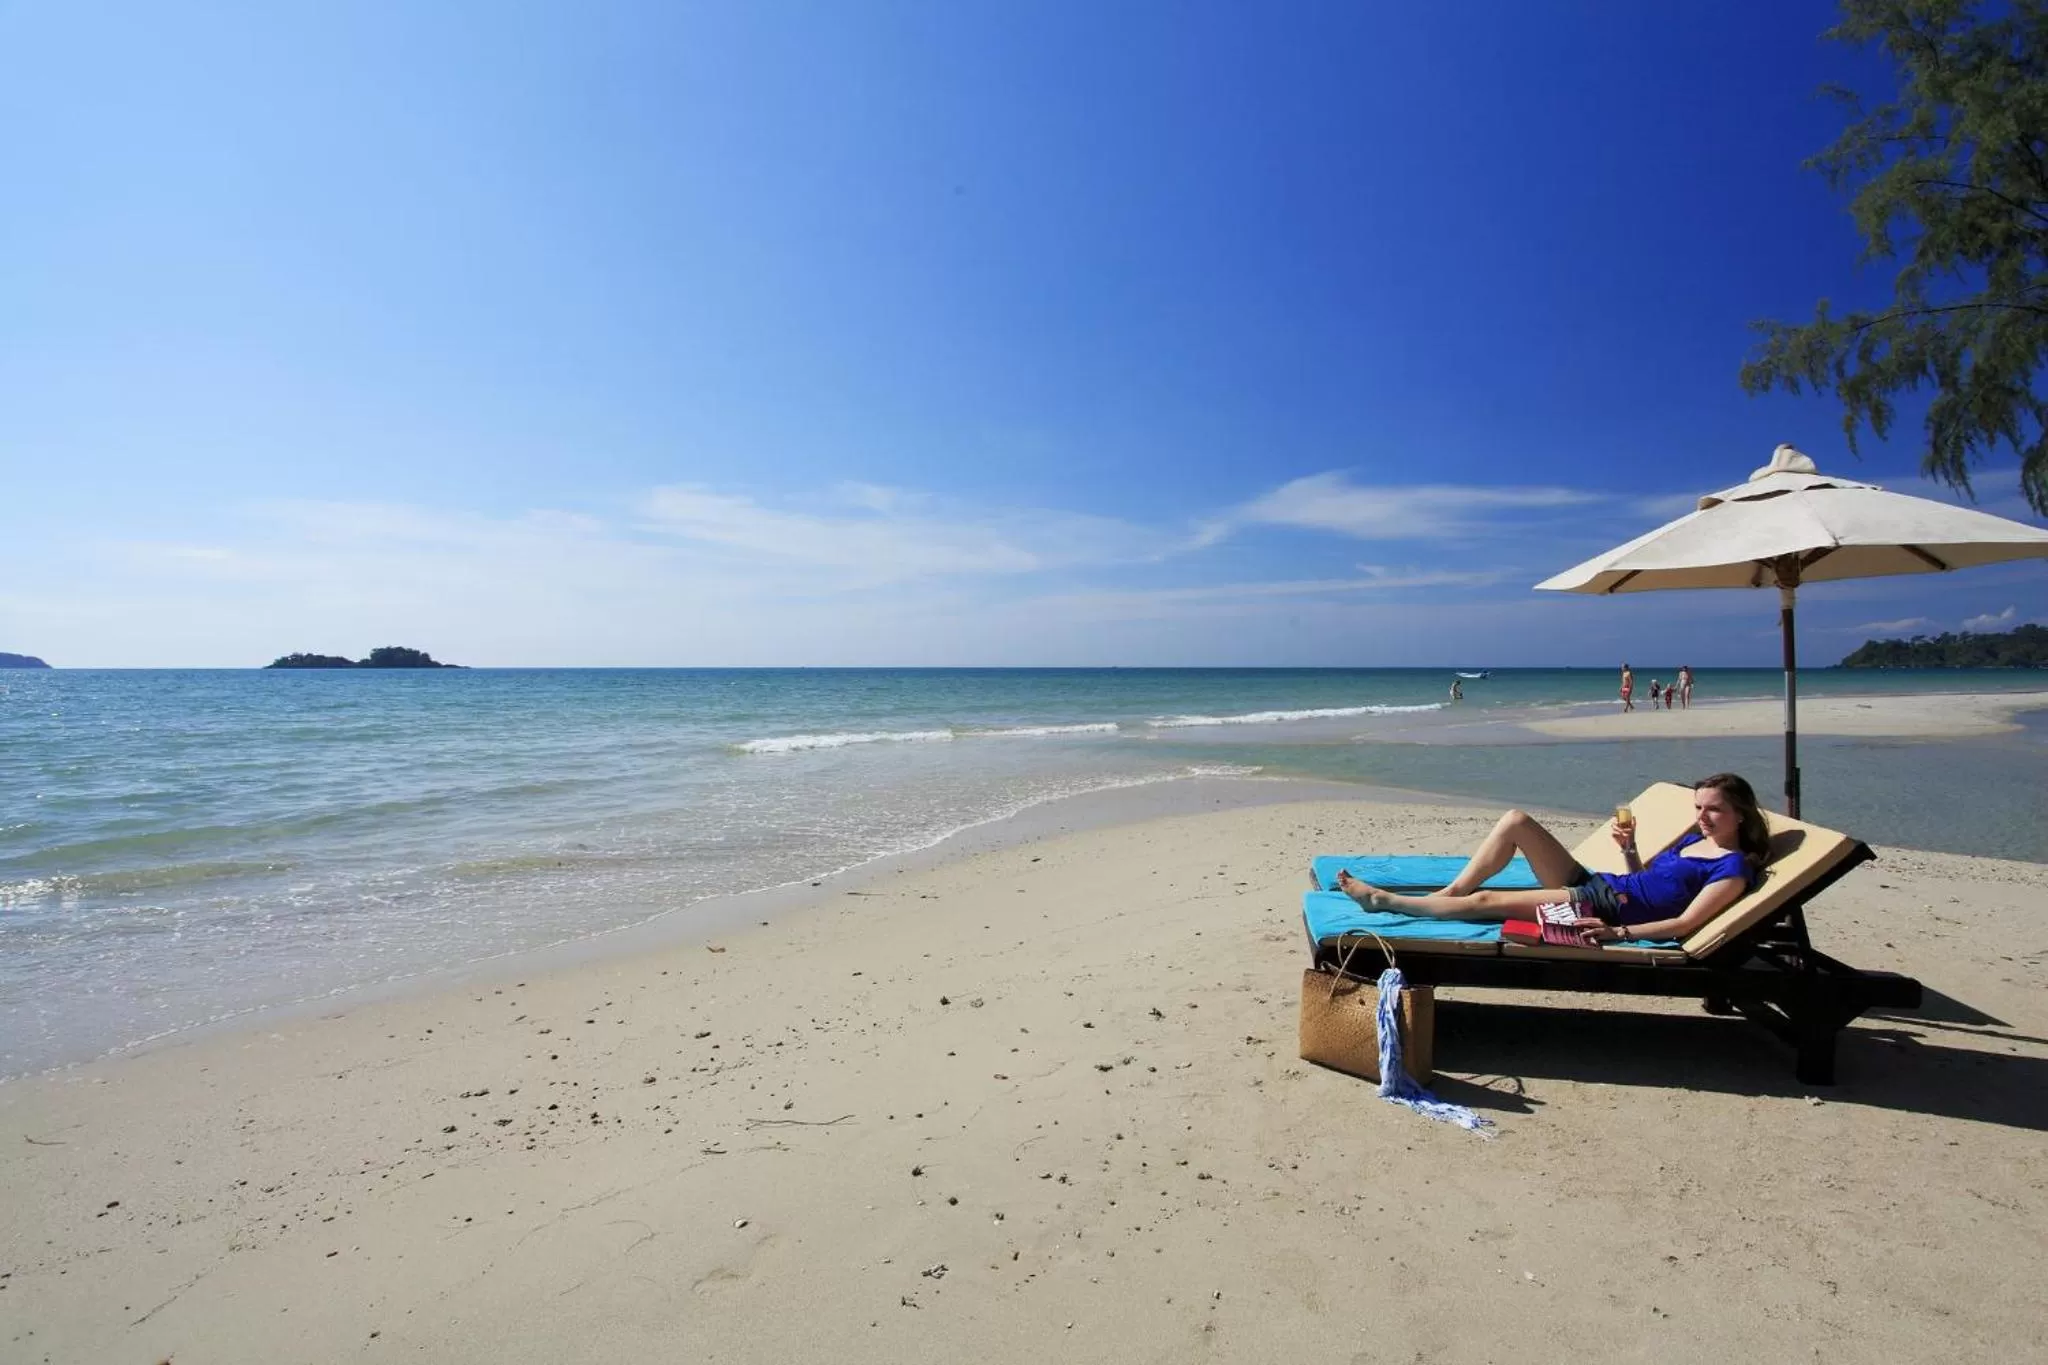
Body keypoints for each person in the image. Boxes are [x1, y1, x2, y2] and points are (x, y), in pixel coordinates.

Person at [1334, 773, 1770, 945]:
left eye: (1713, 809)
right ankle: (1449, 893)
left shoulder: (1731, 868)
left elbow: (1684, 923)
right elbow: (1649, 881)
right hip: (1603, 884)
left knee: (1487, 902)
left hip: (1600, 908)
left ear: (1740, 814)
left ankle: (1385, 902)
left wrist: (1618, 932)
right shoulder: (1694, 839)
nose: (1703, 816)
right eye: (1699, 807)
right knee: (1516, 821)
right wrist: (1630, 848)